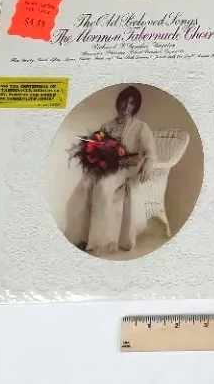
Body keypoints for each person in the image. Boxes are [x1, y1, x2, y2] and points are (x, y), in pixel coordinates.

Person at [64, 85, 157, 256]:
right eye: (124, 101)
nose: (126, 106)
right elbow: (99, 147)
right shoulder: (107, 125)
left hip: (129, 167)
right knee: (85, 183)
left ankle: (101, 242)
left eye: (131, 104)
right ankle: (81, 235)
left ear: (135, 107)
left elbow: (150, 151)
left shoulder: (141, 127)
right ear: (118, 102)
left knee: (103, 187)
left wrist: (149, 163)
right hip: (108, 166)